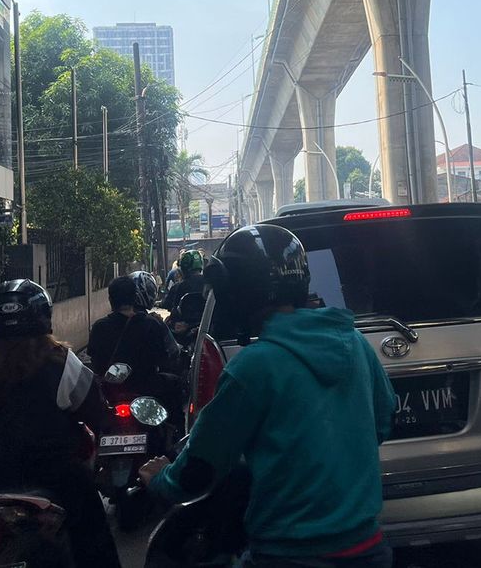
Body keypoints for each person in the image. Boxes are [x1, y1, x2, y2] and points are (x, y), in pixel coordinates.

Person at [138, 224, 396, 567]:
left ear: (239, 292)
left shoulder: (253, 368)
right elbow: (384, 421)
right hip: (369, 549)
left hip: (289, 554)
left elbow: (198, 471)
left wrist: (159, 480)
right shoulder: (356, 345)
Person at [0, 279, 121, 568]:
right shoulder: (63, 363)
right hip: (57, 477)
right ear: (43, 315)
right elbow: (95, 411)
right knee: (95, 543)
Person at [87, 272, 184, 416]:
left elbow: (95, 361)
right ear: (134, 297)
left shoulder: (99, 327)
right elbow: (167, 356)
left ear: (111, 300)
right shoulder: (152, 324)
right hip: (148, 389)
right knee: (177, 385)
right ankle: (176, 433)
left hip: (110, 393)